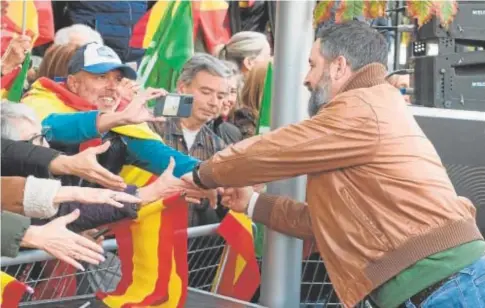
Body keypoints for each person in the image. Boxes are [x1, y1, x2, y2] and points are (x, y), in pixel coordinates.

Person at [186, 21, 485, 308]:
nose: (306, 78)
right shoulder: (376, 103)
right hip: (443, 283)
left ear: (339, 66)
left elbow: (272, 150)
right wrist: (252, 203)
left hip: (445, 286)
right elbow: (325, 223)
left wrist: (200, 175)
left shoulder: (360, 108)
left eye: (313, 64)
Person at [22, 43, 201, 180]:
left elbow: (169, 161)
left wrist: (214, 175)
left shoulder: (123, 123)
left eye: (117, 79)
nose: (112, 87)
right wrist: (116, 118)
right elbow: (50, 128)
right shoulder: (40, 100)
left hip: (92, 220)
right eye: (101, 77)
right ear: (73, 83)